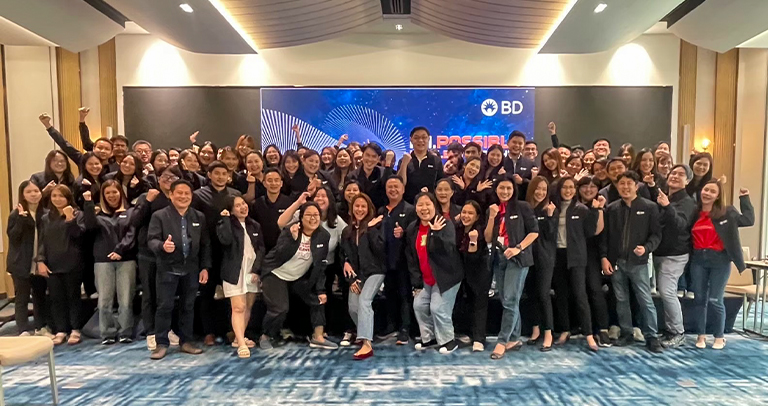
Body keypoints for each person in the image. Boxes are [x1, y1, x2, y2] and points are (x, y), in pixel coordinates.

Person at [258, 202, 338, 350]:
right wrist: (292, 239)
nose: (313, 218)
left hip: (299, 276)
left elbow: (320, 265)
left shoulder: (323, 236)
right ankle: (266, 335)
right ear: (301, 218)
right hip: (276, 274)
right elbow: (279, 254)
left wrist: (320, 290)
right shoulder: (290, 230)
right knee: (281, 308)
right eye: (308, 215)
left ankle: (318, 337)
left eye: (316, 215)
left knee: (318, 299)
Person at [599, 171, 663, 353]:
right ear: (617, 186)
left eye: (629, 183)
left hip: (639, 262)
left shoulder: (649, 207)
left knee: (645, 299)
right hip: (617, 262)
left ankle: (652, 336)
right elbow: (605, 237)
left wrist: (647, 248)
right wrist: (604, 258)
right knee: (621, 299)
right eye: (622, 184)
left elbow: (657, 234)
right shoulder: (611, 208)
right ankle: (626, 332)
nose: (625, 187)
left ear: (637, 186)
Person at [147, 179, 211, 360]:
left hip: (191, 268)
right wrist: (162, 246)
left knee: (188, 306)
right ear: (171, 195)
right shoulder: (159, 216)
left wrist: (205, 267)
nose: (183, 196)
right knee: (164, 306)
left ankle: (186, 342)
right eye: (179, 193)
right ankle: (161, 344)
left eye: (187, 194)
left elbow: (205, 244)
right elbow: (151, 240)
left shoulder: (199, 217)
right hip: (167, 268)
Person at [690, 181, 754, 350]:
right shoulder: (695, 213)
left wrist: (744, 198)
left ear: (717, 196)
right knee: (699, 300)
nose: (707, 193)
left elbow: (748, 220)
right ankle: (701, 335)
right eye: (705, 189)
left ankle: (719, 336)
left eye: (712, 191)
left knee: (715, 299)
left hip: (720, 260)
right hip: (698, 259)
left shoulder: (727, 212)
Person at [484, 178, 539, 359]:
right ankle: (514, 338)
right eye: (502, 188)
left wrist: (518, 248)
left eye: (508, 188)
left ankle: (502, 341)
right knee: (507, 300)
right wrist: (492, 217)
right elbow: (487, 237)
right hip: (499, 259)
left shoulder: (522, 207)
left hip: (518, 259)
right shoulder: (494, 209)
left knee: (510, 300)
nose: (505, 191)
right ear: (497, 189)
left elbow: (534, 232)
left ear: (513, 190)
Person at [406, 192, 464, 354]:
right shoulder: (412, 228)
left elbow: (447, 249)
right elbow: (411, 257)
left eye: (427, 204)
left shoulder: (445, 223)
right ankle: (429, 338)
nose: (424, 208)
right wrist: (416, 283)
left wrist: (436, 233)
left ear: (434, 206)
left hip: (447, 276)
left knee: (438, 307)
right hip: (426, 278)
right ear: (416, 208)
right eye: (420, 205)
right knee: (419, 305)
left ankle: (448, 340)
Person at [550, 177, 604, 352]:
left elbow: (590, 231)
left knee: (580, 296)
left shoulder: (582, 209)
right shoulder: (553, 208)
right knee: (561, 295)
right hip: (557, 255)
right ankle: (565, 330)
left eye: (571, 187)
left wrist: (596, 211)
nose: (568, 190)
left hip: (577, 257)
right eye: (564, 187)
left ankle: (588, 334)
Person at [192, 161, 242, 346]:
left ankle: (231, 330)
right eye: (217, 173)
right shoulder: (198, 196)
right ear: (210, 175)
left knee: (232, 295)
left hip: (230, 252)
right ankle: (208, 332)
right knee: (206, 294)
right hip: (207, 251)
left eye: (224, 173)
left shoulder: (235, 195)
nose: (221, 176)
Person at [82, 180, 138, 345]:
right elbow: (90, 226)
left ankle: (125, 332)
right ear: (103, 196)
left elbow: (131, 234)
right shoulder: (97, 215)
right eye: (108, 193)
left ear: (120, 193)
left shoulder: (130, 213)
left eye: (115, 192)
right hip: (103, 262)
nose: (112, 196)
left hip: (125, 260)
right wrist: (88, 203)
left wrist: (120, 250)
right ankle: (107, 333)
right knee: (104, 300)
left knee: (126, 299)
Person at [134, 165, 183, 351]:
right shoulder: (148, 196)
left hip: (171, 254)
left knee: (167, 295)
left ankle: (166, 329)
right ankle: (151, 332)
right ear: (158, 177)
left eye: (173, 177)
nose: (168, 180)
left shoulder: (178, 197)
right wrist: (147, 201)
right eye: (165, 176)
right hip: (148, 254)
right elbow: (135, 222)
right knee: (149, 294)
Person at [36, 184, 86, 345]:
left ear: (68, 198)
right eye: (54, 196)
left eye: (61, 196)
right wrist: (40, 261)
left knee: (73, 297)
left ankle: (75, 329)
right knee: (56, 298)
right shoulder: (46, 218)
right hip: (52, 264)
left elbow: (79, 235)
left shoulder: (78, 214)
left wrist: (70, 219)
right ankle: (61, 329)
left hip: (72, 263)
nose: (57, 199)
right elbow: (42, 241)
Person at [217, 196, 265, 358]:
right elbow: (226, 240)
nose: (243, 207)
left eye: (243, 204)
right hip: (234, 271)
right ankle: (241, 344)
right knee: (238, 307)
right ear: (231, 210)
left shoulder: (255, 225)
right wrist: (225, 220)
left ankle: (239, 338)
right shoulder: (225, 224)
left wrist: (256, 270)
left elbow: (260, 249)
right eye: (237, 206)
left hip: (251, 270)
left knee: (248, 307)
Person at [653, 164, 696, 349]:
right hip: (660, 252)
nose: (675, 176)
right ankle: (670, 329)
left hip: (675, 254)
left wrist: (667, 206)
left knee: (667, 291)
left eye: (681, 174)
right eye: (673, 173)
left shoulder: (687, 202)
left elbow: (680, 225)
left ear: (687, 181)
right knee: (663, 292)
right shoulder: (665, 197)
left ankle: (678, 332)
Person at [341, 193, 386, 360]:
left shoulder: (377, 225)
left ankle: (367, 344)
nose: (360, 209)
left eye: (363, 206)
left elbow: (380, 251)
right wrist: (350, 277)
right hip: (358, 275)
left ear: (368, 209)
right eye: (357, 206)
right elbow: (345, 255)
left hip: (376, 271)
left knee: (364, 301)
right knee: (353, 306)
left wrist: (371, 229)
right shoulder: (347, 230)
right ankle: (363, 332)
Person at [6, 181, 51, 336]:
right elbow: (13, 238)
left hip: (38, 261)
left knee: (40, 295)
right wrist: (20, 220)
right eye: (29, 192)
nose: (33, 194)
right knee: (22, 297)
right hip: (20, 263)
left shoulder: (45, 213)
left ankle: (40, 326)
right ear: (22, 195)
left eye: (36, 191)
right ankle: (23, 329)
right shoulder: (15, 214)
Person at [378, 176, 416, 345]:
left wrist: (405, 233)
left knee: (404, 296)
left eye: (396, 187)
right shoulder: (381, 211)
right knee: (389, 294)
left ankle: (405, 328)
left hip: (403, 262)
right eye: (390, 187)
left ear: (403, 189)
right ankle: (391, 325)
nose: (393, 190)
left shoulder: (410, 210)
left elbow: (416, 234)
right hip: (385, 261)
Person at [577, 176, 613, 347]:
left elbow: (601, 234)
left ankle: (603, 329)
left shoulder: (600, 208)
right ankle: (582, 327)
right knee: (577, 291)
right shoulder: (573, 207)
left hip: (592, 253)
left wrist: (603, 257)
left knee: (595, 289)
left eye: (593, 187)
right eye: (585, 186)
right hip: (574, 253)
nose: (588, 190)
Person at [524, 176, 556, 351]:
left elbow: (551, 236)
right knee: (531, 295)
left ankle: (548, 333)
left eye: (544, 189)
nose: (541, 192)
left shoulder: (550, 208)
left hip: (545, 258)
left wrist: (550, 217)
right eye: (538, 188)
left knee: (544, 294)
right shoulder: (525, 208)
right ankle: (535, 329)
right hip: (528, 258)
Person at [455, 200, 491, 352]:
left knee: (479, 306)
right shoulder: (458, 229)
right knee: (467, 304)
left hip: (479, 273)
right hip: (463, 274)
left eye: (470, 213)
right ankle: (468, 333)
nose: (466, 216)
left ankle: (479, 339)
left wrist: (474, 241)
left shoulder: (479, 232)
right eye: (464, 212)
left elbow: (473, 257)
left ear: (477, 217)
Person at [251, 168, 294, 253]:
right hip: (262, 249)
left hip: (283, 248)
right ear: (264, 184)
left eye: (276, 180)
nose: (273, 183)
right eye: (270, 180)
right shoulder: (257, 204)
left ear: (281, 183)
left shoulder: (289, 203)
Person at [402, 127, 441, 203]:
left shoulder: (436, 161)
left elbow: (440, 183)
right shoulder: (405, 160)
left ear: (429, 139)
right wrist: (404, 164)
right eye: (416, 138)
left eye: (424, 137)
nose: (420, 140)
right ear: (411, 140)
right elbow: (401, 183)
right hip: (409, 204)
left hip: (430, 205)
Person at [503, 131, 536, 199]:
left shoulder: (530, 164)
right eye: (514, 142)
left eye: (520, 143)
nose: (517, 145)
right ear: (508, 143)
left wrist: (522, 181)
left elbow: (535, 185)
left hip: (523, 202)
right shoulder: (501, 162)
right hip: (503, 203)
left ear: (523, 146)